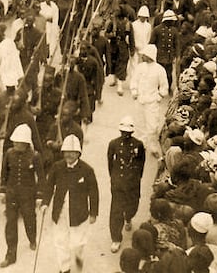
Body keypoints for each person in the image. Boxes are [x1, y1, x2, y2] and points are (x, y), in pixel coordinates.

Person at [40, 134, 99, 273]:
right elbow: (49, 186)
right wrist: (45, 203)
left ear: (78, 153)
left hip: (79, 213)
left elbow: (94, 193)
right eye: (66, 152)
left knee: (78, 242)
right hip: (60, 212)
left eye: (72, 152)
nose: (69, 155)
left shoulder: (87, 170)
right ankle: (65, 268)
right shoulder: (57, 167)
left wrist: (93, 213)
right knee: (60, 241)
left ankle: (79, 255)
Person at [0, 124, 45, 268]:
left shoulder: (35, 156)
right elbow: (4, 173)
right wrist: (3, 190)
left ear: (26, 143)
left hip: (28, 194)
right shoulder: (9, 153)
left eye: (19, 142)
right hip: (12, 194)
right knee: (10, 224)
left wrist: (39, 196)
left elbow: (41, 177)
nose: (16, 144)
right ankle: (10, 255)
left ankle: (32, 238)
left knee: (29, 219)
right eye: (15, 141)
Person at [107, 115, 145, 253]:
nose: (125, 135)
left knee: (132, 206)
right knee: (116, 211)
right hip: (119, 183)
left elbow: (141, 163)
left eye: (128, 133)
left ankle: (128, 217)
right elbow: (110, 163)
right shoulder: (113, 144)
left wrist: (137, 178)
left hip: (133, 182)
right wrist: (114, 178)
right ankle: (116, 238)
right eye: (123, 132)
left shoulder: (138, 145)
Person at [129, 44, 168, 156]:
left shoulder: (160, 70)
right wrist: (134, 92)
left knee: (152, 126)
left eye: (144, 55)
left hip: (152, 102)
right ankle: (141, 146)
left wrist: (159, 97)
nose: (142, 56)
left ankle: (153, 147)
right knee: (139, 124)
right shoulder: (140, 67)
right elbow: (134, 80)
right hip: (140, 100)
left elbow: (164, 86)